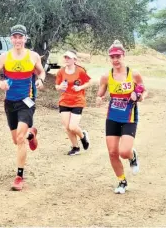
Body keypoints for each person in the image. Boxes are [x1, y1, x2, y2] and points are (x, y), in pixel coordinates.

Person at [0, 24, 46, 191]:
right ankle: (31, 134)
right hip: (10, 102)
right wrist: (0, 83)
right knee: (16, 139)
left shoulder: (33, 56)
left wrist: (40, 80)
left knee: (19, 138)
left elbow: (41, 72)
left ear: (25, 38)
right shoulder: (4, 57)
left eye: (21, 37)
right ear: (11, 39)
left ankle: (19, 176)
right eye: (15, 37)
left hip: (27, 100)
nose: (18, 40)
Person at [96, 40, 147, 194]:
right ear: (109, 58)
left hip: (129, 117)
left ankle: (132, 156)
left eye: (118, 56)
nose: (115, 60)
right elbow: (100, 93)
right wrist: (99, 98)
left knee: (123, 152)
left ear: (123, 55)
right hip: (112, 116)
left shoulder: (134, 74)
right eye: (112, 57)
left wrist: (139, 96)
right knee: (112, 152)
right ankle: (122, 181)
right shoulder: (106, 76)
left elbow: (144, 90)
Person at [55, 50, 91, 155]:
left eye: (69, 58)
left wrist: (80, 87)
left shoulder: (80, 71)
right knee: (67, 127)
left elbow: (88, 82)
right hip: (64, 101)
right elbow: (57, 86)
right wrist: (60, 87)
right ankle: (76, 147)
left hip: (78, 101)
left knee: (73, 127)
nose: (66, 59)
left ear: (74, 60)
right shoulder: (61, 72)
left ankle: (83, 136)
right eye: (65, 57)